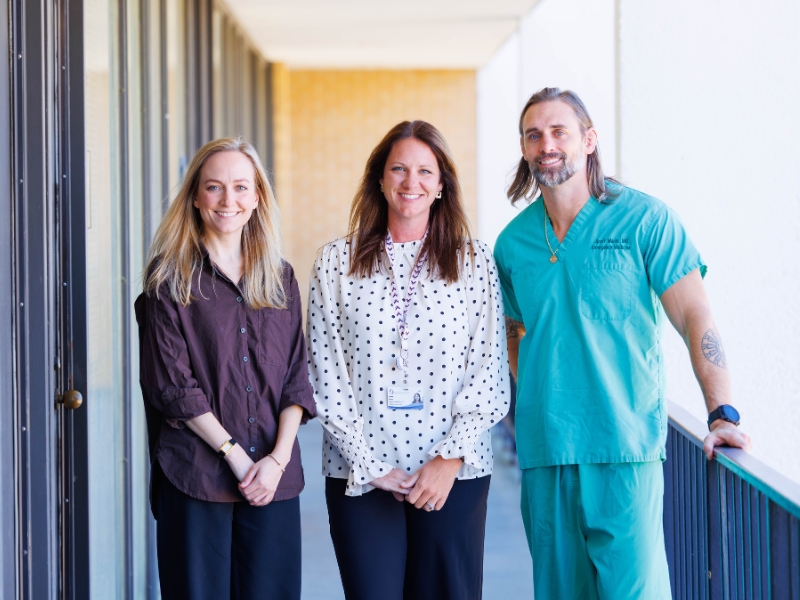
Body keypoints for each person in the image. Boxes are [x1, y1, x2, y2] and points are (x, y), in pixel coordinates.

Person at [494, 88, 752, 599]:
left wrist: (722, 411)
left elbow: (695, 316)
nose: (546, 143)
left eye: (559, 131)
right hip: (546, 453)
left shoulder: (644, 220)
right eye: (533, 134)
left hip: (625, 450)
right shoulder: (511, 243)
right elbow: (512, 331)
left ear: (588, 140)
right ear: (524, 149)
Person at [306, 120, 510, 600]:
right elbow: (324, 373)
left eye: (424, 171)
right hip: (360, 474)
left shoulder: (475, 262)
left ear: (442, 185)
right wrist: (368, 463)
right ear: (379, 178)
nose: (410, 182)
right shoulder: (336, 261)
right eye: (398, 168)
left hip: (453, 472)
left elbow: (489, 372)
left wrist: (448, 458)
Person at [134, 138, 316, 600]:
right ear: (195, 196)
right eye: (214, 187)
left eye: (240, 187)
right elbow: (174, 387)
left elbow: (297, 374)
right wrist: (237, 456)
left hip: (273, 480)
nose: (228, 200)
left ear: (257, 197)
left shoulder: (280, 278)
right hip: (195, 478)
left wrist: (274, 461)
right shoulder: (167, 282)